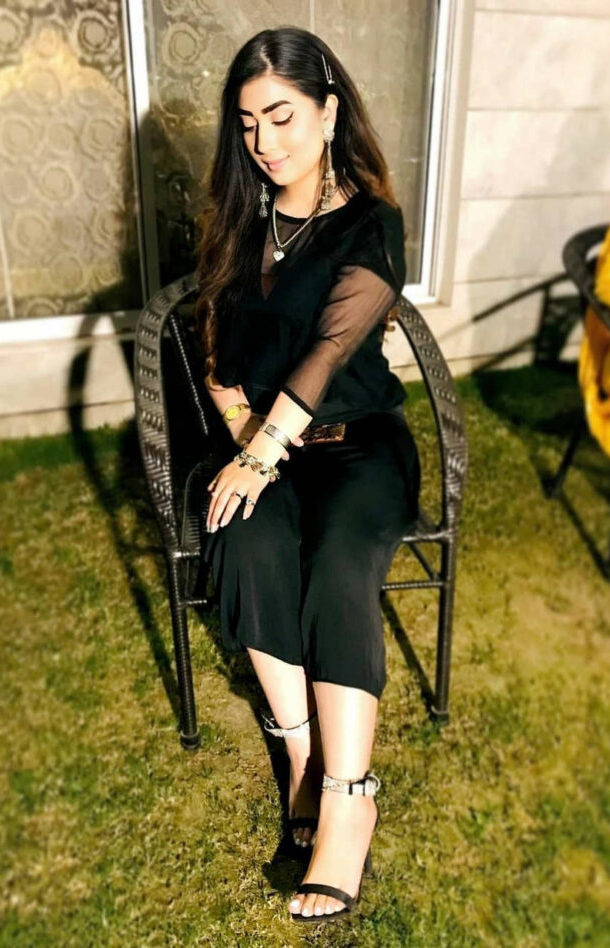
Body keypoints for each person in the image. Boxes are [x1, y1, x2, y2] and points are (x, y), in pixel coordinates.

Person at [195, 27, 421, 923]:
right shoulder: (237, 222)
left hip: (359, 442)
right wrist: (244, 440)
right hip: (266, 443)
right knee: (244, 537)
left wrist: (261, 454)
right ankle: (302, 758)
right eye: (248, 123)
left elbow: (329, 353)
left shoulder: (371, 224)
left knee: (337, 564)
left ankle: (349, 797)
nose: (264, 141)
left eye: (282, 117)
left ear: (328, 114)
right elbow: (218, 356)